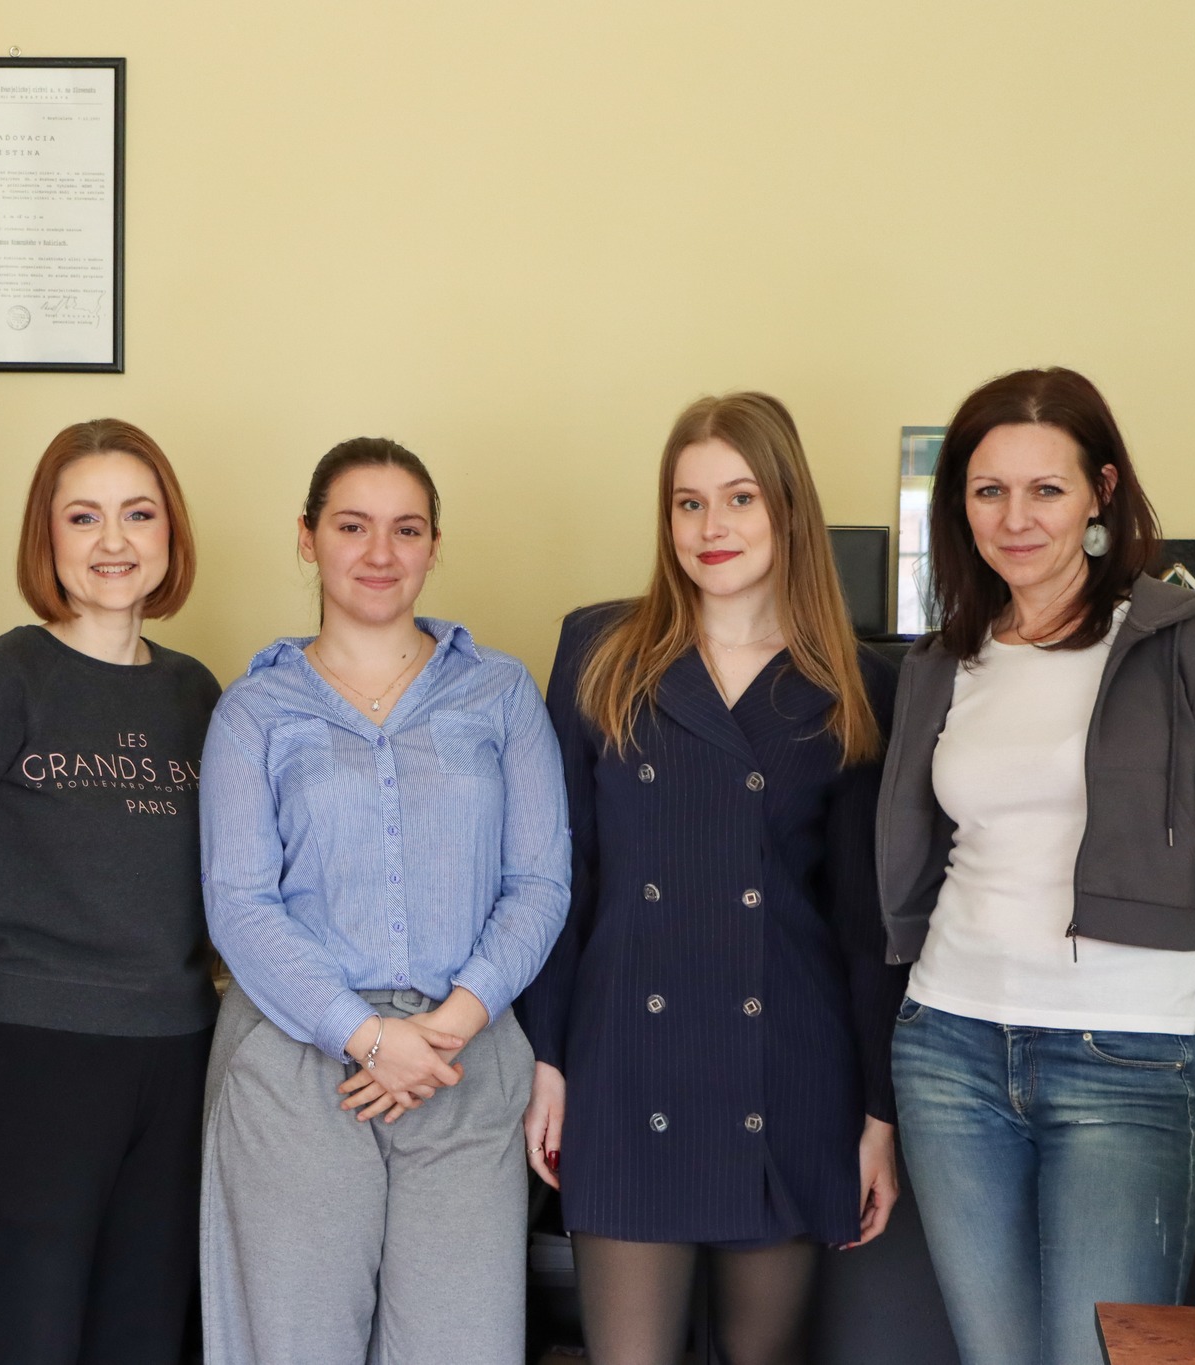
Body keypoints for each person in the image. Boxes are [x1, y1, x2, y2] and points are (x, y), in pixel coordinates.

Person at [878, 367, 1195, 1365]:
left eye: (1046, 488)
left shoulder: (1190, 646)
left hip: (1126, 1058)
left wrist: (1179, 1029)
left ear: (1100, 493)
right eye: (989, 490)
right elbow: (926, 854)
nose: (1015, 517)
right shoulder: (943, 661)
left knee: (1097, 1355)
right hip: (948, 1051)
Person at [516, 393, 906, 1365]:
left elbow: (863, 922)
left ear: (787, 508)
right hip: (623, 1063)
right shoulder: (599, 650)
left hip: (788, 1068)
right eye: (687, 503)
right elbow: (561, 873)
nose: (709, 527)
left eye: (738, 498)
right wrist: (546, 1058)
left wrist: (878, 1112)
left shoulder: (852, 684)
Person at [197, 438, 570, 1365]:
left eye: (406, 530)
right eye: (352, 526)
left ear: (434, 545)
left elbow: (539, 882)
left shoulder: (501, 692)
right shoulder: (253, 710)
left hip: (464, 1057)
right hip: (295, 1059)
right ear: (307, 537)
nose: (379, 552)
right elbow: (240, 904)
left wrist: (446, 1027)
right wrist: (365, 1035)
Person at [0, 419, 220, 1365]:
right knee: (20, 1334)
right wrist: (16, 985)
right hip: (31, 1058)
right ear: (48, 534)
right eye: (84, 516)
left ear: (170, 532)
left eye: (138, 514)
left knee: (144, 1331)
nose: (114, 541)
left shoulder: (198, 695)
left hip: (177, 1056)